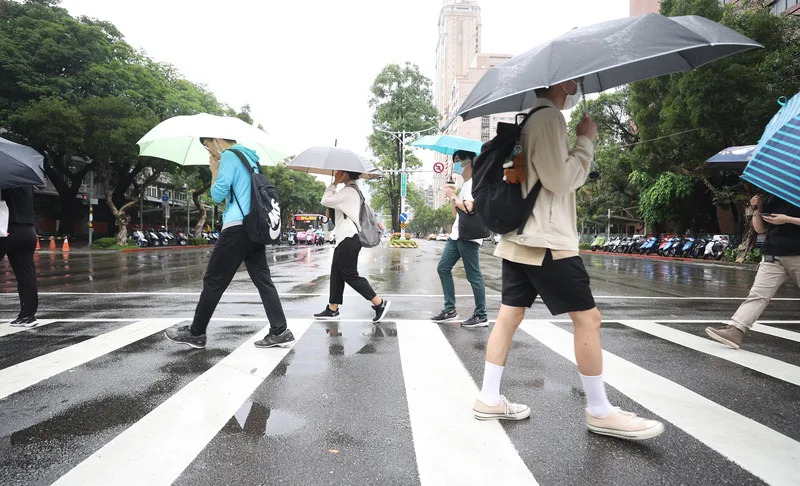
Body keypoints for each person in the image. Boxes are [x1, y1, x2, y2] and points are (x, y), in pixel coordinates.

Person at [471, 80, 664, 440]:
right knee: (588, 319)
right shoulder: (549, 120)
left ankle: (489, 397)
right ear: (563, 82)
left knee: (509, 316)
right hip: (547, 240)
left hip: (520, 238)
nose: (576, 84)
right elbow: (561, 181)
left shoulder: (532, 119)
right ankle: (600, 410)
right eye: (573, 79)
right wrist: (585, 140)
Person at [164, 137, 294, 349]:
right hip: (253, 227)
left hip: (237, 228)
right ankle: (279, 330)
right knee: (263, 280)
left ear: (216, 140)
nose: (210, 151)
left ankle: (196, 333)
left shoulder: (230, 157)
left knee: (213, 280)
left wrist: (214, 169)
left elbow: (217, 194)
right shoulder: (251, 159)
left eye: (207, 146)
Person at [706, 194, 800, 348]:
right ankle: (736, 330)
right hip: (773, 253)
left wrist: (787, 219)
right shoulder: (772, 196)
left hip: (797, 254)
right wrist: (757, 209)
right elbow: (760, 228)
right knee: (757, 295)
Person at [313, 170, 391, 323]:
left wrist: (334, 183)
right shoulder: (351, 191)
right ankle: (332, 308)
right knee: (337, 273)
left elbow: (325, 200)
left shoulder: (349, 191)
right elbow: (339, 211)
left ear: (346, 174)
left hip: (348, 239)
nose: (338, 174)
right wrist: (332, 210)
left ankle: (379, 303)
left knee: (349, 275)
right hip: (345, 238)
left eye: (341, 172)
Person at [431, 150, 488, 328]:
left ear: (469, 163)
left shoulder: (474, 183)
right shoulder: (465, 184)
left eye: (459, 161)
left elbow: (470, 209)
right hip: (457, 234)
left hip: (468, 236)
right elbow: (457, 213)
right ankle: (450, 309)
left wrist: (453, 196)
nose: (456, 164)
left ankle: (481, 315)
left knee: (474, 276)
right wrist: (452, 198)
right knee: (443, 268)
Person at [1, 185, 39, 327]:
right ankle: (28, 316)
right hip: (28, 230)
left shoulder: (4, 178)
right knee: (26, 275)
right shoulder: (27, 181)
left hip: (5, 229)